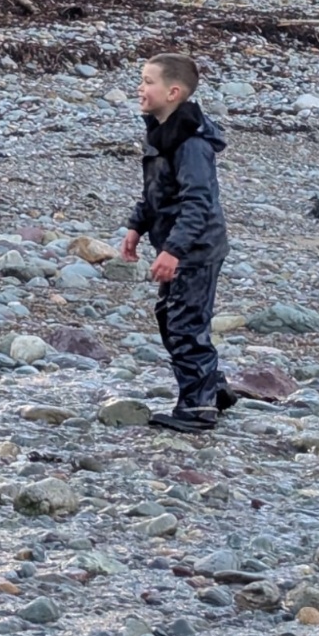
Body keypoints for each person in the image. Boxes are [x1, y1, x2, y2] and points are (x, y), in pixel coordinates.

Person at [121, 52, 235, 432]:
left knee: (186, 324)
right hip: (177, 243)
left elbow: (198, 202)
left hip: (196, 249)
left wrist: (173, 251)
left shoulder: (191, 143)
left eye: (148, 81)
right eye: (141, 80)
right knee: (169, 318)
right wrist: (136, 226)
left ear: (173, 92)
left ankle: (198, 409)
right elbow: (156, 192)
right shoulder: (161, 131)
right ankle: (212, 387)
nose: (140, 88)